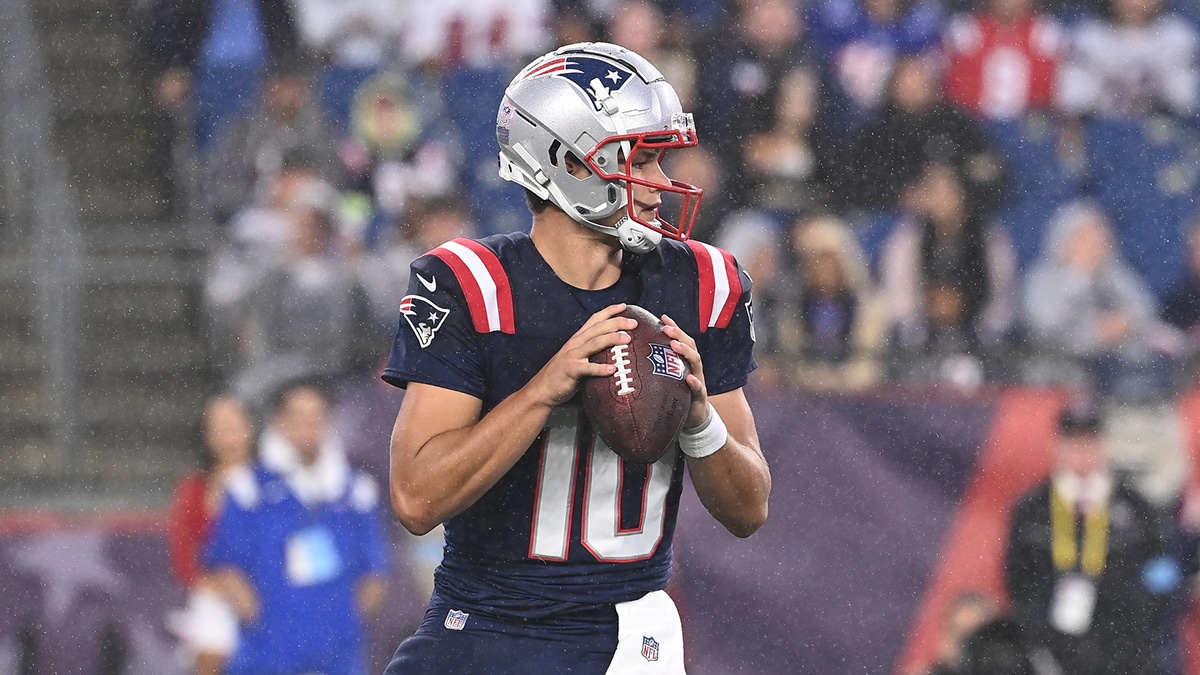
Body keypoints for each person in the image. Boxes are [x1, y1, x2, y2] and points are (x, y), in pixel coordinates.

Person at [380, 42, 771, 673]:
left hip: (629, 640)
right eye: (642, 161)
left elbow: (750, 509)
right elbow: (416, 499)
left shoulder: (701, 283)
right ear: (569, 162)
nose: (665, 186)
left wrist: (701, 422)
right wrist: (543, 390)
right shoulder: (474, 284)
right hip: (489, 631)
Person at [203, 380, 389, 675]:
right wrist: (266, 625)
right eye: (299, 417)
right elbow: (226, 567)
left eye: (316, 416)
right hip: (266, 658)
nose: (309, 427)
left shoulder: (356, 492)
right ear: (279, 422)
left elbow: (374, 573)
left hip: (339, 659)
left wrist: (341, 626)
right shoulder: (246, 489)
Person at [1004, 403, 1178, 675]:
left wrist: (1132, 626)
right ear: (1057, 446)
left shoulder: (1138, 508)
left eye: (1090, 442)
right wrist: (1042, 637)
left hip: (1126, 652)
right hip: (1053, 650)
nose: (1083, 452)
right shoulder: (1032, 510)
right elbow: (1018, 580)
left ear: (1104, 444)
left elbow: (1162, 575)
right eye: (1074, 443)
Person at [166, 394, 256, 675]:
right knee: (210, 649)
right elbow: (184, 555)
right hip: (214, 595)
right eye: (218, 426)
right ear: (206, 435)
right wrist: (218, 586)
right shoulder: (194, 489)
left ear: (250, 427)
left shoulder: (275, 483)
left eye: (233, 424)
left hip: (266, 592)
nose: (227, 434)